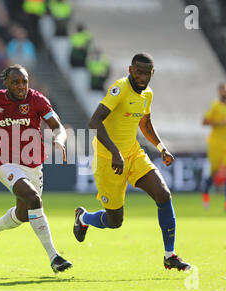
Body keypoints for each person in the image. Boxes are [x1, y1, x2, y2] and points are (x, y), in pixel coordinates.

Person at [73, 53, 191, 271]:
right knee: (115, 221)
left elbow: (145, 123)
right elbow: (94, 121)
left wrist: (161, 148)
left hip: (134, 154)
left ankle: (170, 255)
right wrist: (115, 152)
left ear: (152, 73)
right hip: (109, 159)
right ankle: (84, 218)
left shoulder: (147, 94)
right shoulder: (119, 89)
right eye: (138, 71)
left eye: (147, 72)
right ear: (130, 70)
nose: (142, 76)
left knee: (163, 194)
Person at [0, 64, 72, 273]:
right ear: (6, 84)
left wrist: (60, 139)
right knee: (34, 200)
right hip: (5, 163)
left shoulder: (37, 99)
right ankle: (54, 257)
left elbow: (57, 126)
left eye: (24, 82)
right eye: (16, 82)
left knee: (23, 215)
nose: (21, 86)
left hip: (33, 165)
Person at [202, 83, 226, 213]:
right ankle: (206, 195)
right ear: (219, 92)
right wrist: (220, 123)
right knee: (214, 173)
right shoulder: (215, 106)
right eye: (223, 90)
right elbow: (205, 122)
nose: (225, 92)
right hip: (216, 144)